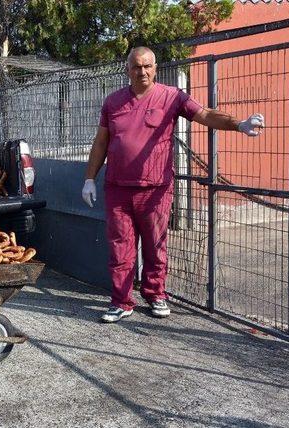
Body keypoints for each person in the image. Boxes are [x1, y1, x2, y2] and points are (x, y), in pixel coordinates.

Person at [82, 47, 264, 323]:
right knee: (120, 248)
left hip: (156, 189)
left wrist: (239, 124)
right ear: (127, 69)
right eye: (135, 66)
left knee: (156, 245)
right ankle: (121, 302)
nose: (141, 71)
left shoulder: (171, 97)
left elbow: (205, 115)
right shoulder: (113, 102)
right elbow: (101, 142)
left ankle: (155, 294)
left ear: (155, 68)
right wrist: (89, 179)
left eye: (147, 66)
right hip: (117, 189)